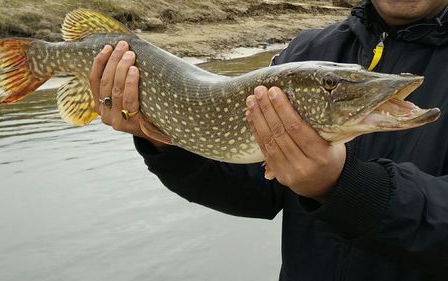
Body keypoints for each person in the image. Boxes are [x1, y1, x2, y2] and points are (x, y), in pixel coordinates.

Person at [89, 0, 448, 279]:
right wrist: (165, 139)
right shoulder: (309, 51)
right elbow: (254, 188)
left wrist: (345, 186)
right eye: (331, 87)